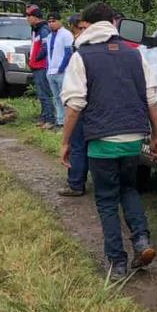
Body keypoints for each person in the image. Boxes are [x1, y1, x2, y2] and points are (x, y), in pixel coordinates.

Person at [60, 2, 157, 279]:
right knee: (129, 190)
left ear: (88, 25)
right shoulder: (135, 55)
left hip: (101, 140)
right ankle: (141, 241)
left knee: (106, 199)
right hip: (133, 138)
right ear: (114, 23)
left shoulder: (82, 56)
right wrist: (156, 136)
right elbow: (151, 99)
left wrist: (65, 141)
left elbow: (75, 105)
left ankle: (117, 262)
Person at [60, 13, 90, 197]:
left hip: (81, 104)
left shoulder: (79, 50)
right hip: (97, 106)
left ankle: (76, 183)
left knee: (77, 144)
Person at [26, 4, 55, 129]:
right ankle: (44, 117)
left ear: (35, 17)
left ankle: (50, 119)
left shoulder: (43, 29)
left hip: (41, 66)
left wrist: (37, 58)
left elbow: (45, 47)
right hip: (36, 65)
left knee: (44, 94)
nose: (27, 18)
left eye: (28, 16)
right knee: (41, 93)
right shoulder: (35, 29)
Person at [45, 12, 75, 129]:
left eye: (54, 21)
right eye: (49, 22)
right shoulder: (49, 36)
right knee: (56, 97)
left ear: (59, 21)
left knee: (65, 97)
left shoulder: (66, 34)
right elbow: (48, 53)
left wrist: (61, 68)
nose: (51, 24)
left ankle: (67, 122)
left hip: (62, 72)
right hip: (51, 71)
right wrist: (48, 68)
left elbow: (68, 53)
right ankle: (60, 120)